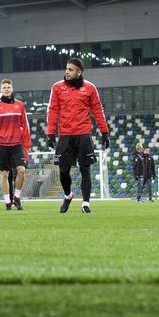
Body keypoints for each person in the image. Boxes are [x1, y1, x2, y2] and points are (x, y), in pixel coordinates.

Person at [46, 58, 110, 214]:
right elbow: (53, 110)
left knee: (85, 170)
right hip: (65, 135)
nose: (67, 72)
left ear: (79, 72)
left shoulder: (90, 88)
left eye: (71, 69)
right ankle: (68, 196)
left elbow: (97, 110)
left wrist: (104, 132)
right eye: (66, 69)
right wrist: (50, 132)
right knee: (63, 171)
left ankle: (86, 204)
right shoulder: (57, 88)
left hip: (83, 134)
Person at [0, 78, 32, 210]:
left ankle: (17, 197)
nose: (6, 89)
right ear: (0, 90)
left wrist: (27, 142)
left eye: (8, 87)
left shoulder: (20, 105)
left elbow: (25, 124)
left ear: (12, 89)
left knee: (21, 171)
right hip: (1, 144)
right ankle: (7, 202)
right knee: (4, 174)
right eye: (4, 87)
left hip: (17, 144)